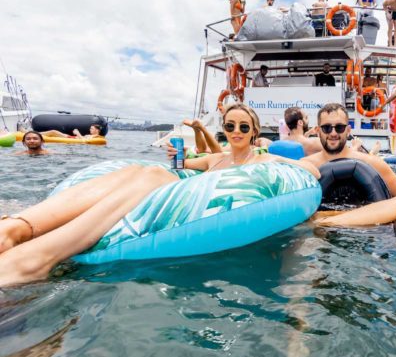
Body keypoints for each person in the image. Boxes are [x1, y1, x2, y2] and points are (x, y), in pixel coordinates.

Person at [0, 104, 319, 288]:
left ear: (253, 130)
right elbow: (178, 167)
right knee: (146, 173)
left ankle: (26, 241)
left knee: (152, 177)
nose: (237, 131)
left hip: (191, 210)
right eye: (231, 125)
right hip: (173, 196)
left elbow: (310, 170)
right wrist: (175, 154)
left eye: (244, 127)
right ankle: (16, 229)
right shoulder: (215, 159)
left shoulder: (263, 160)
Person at [302, 103, 396, 200]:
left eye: (339, 127)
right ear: (318, 131)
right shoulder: (306, 166)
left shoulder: (372, 163)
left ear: (348, 130)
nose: (333, 133)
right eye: (326, 128)